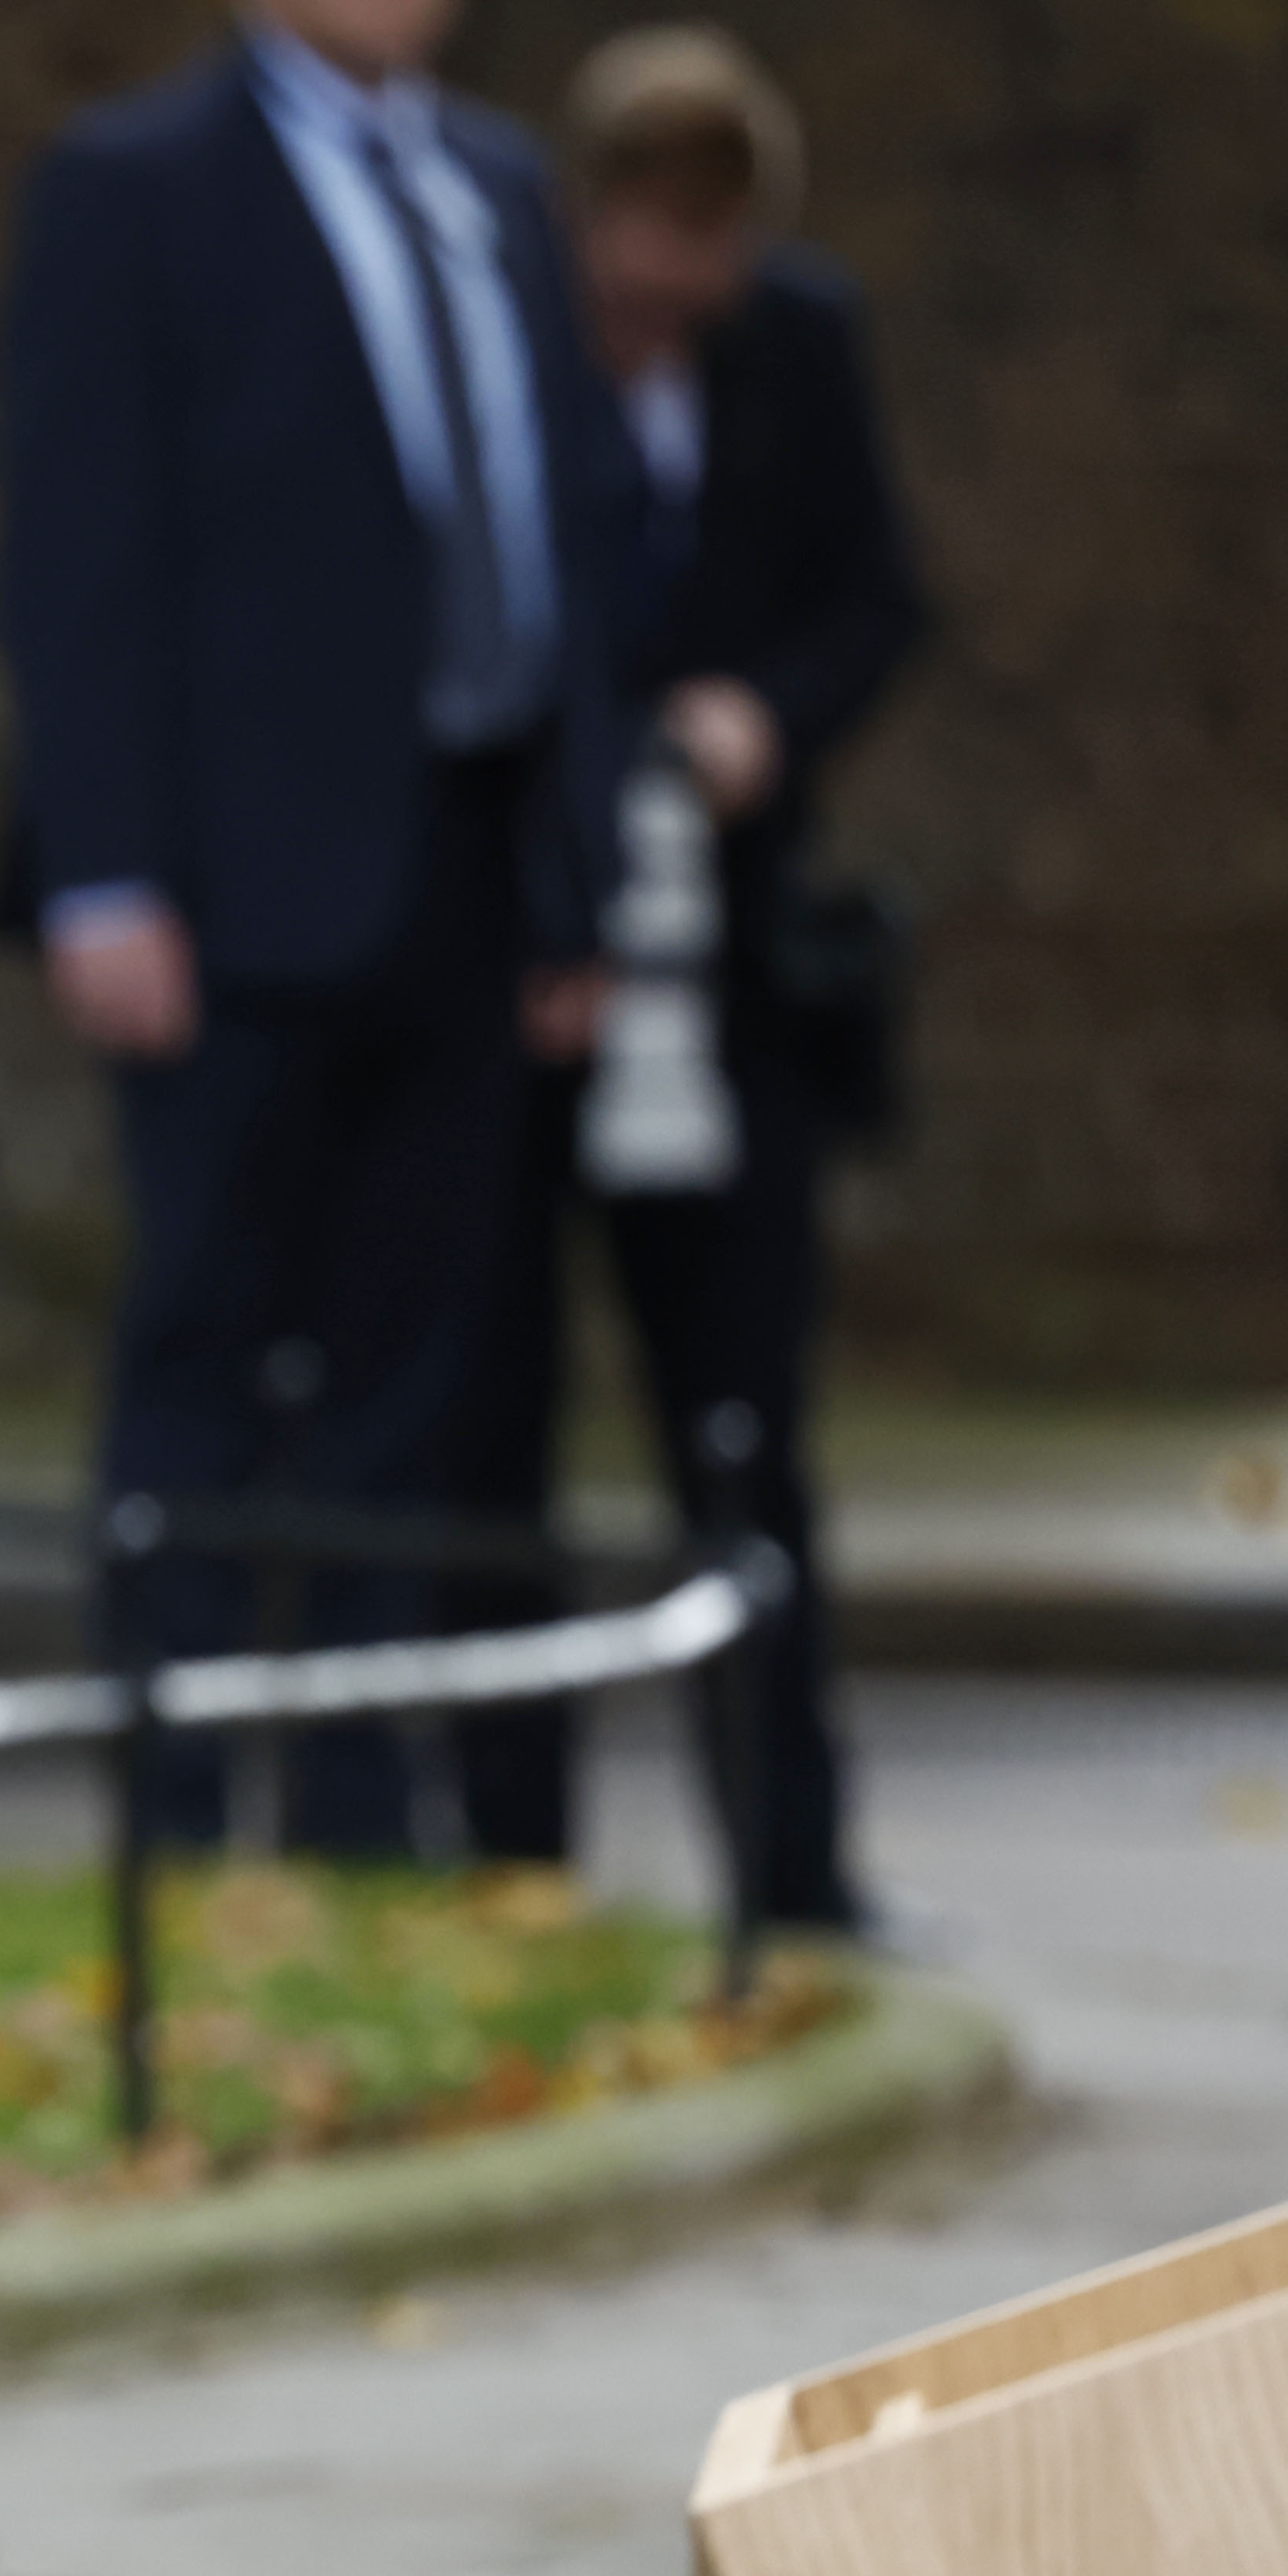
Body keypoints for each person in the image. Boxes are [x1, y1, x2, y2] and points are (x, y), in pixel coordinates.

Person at [0, 0, 633, 1852]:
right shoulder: (135, 188)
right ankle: (173, 1819)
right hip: (226, 891)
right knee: (200, 1354)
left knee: (404, 1375)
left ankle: (357, 1808)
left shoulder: (501, 187)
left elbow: (568, 551)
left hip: (466, 869)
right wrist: (101, 870)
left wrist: (573, 879)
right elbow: (73, 546)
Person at [447, 28, 926, 1927]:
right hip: (523, 991)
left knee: (745, 1438)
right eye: (652, 237)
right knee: (486, 1438)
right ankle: (506, 1870)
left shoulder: (793, 346)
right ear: (587, 219)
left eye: (713, 246)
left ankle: (795, 1875)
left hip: (716, 991)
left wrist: (766, 719)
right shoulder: (509, 349)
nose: (679, 284)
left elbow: (875, 591)